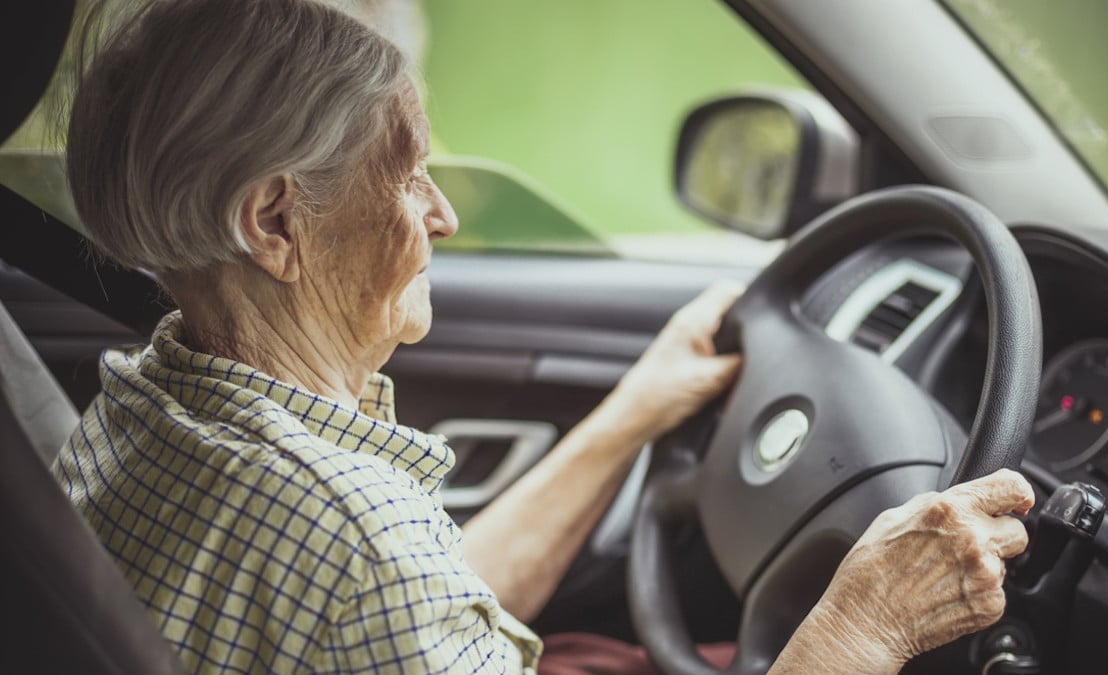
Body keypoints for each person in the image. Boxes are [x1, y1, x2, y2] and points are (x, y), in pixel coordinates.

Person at [53, 0, 1033, 672]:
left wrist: (632, 416)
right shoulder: (356, 543)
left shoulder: (143, 398)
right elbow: (379, 587)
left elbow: (413, 609)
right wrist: (863, 625)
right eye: (405, 175)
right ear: (276, 225)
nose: (440, 215)